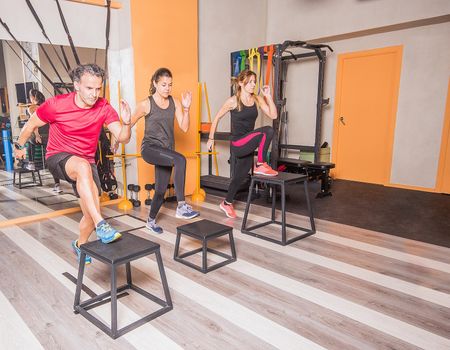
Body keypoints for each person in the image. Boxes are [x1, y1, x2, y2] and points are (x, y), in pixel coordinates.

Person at [14, 63, 132, 265]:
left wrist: (128, 122)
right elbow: (31, 123)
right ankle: (102, 224)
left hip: (86, 161)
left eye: (98, 89)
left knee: (90, 209)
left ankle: (80, 244)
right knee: (83, 168)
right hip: (58, 157)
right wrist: (19, 145)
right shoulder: (56, 104)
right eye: (89, 88)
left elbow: (123, 137)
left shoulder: (103, 106)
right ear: (77, 85)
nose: (94, 94)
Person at [130, 67, 199, 234]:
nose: (167, 88)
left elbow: (184, 127)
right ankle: (182, 206)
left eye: (170, 84)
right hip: (150, 149)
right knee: (180, 159)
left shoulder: (174, 102)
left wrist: (187, 108)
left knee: (160, 190)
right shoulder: (146, 104)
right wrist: (116, 141)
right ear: (155, 83)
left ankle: (150, 221)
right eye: (163, 84)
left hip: (166, 152)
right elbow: (128, 123)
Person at [207, 69, 278, 219]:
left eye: (254, 81)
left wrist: (268, 97)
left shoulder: (257, 99)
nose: (253, 84)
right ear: (241, 83)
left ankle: (226, 203)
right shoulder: (233, 101)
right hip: (238, 143)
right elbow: (217, 118)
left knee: (238, 178)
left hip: (248, 144)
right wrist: (211, 138)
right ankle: (260, 163)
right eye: (250, 82)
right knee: (268, 131)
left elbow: (273, 115)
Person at [28, 89, 62, 193]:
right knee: (52, 160)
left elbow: (34, 123)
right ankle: (57, 184)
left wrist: (37, 135)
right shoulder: (48, 106)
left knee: (29, 140)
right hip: (50, 137)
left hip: (40, 137)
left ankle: (31, 162)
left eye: (30, 97)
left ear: (33, 98)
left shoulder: (32, 108)